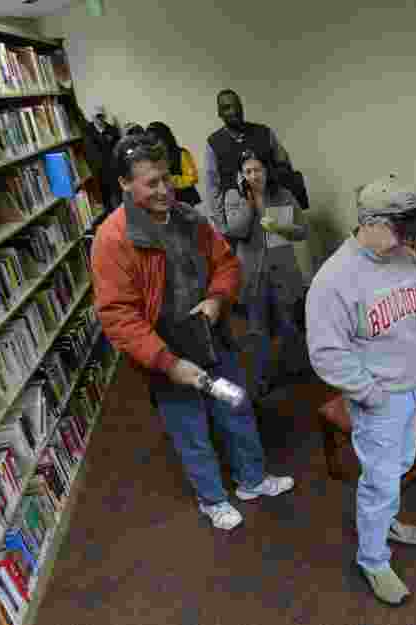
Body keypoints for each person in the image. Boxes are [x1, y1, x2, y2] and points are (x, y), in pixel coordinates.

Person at [90, 134, 294, 531]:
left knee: (235, 404)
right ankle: (212, 499)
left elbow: (226, 264)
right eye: (152, 183)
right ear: (125, 185)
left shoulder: (190, 217)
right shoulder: (112, 239)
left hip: (211, 338)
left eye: (168, 178)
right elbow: (117, 315)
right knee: (191, 429)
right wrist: (166, 362)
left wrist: (218, 300)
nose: (165, 189)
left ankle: (252, 480)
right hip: (166, 353)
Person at [306, 175, 416, 606]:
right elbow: (326, 354)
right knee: (380, 480)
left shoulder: (404, 256)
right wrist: (370, 395)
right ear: (368, 222)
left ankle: (386, 522)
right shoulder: (335, 279)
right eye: (398, 231)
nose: (405, 242)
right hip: (378, 397)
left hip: (411, 384)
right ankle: (372, 559)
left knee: (400, 466)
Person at [213, 149, 309, 401]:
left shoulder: (283, 194)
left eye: (258, 170)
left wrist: (281, 226)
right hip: (254, 275)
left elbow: (302, 232)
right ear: (241, 175)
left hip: (283, 271)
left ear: (267, 171)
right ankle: (262, 378)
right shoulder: (233, 197)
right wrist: (250, 204)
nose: (254, 175)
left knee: (289, 323)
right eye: (248, 171)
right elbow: (236, 230)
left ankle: (296, 368)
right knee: (258, 331)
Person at [206, 89, 294, 213]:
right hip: (239, 214)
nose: (234, 111)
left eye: (237, 105)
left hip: (273, 206)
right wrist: (221, 223)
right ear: (219, 113)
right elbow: (213, 188)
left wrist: (268, 177)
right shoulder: (213, 143)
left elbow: (285, 166)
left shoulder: (265, 133)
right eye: (227, 107)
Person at [147, 122, 202, 207]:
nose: (154, 145)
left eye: (156, 140)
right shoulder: (151, 159)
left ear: (165, 137)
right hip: (165, 202)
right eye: (150, 142)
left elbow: (192, 178)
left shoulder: (181, 154)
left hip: (186, 200)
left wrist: (172, 181)